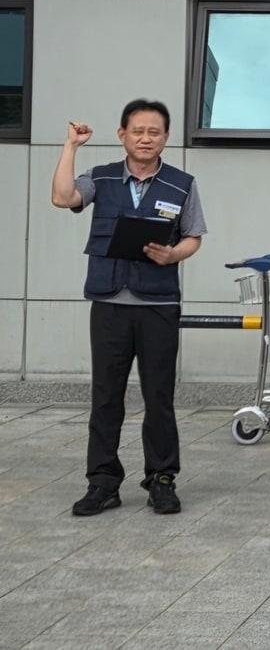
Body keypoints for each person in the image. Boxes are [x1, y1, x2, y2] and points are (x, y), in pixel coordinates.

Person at [52, 99, 206, 516]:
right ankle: (102, 482)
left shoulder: (181, 184)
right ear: (123, 135)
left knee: (159, 395)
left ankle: (162, 478)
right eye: (137, 131)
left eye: (154, 132)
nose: (145, 138)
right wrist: (71, 147)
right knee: (106, 396)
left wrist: (173, 255)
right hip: (108, 303)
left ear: (165, 138)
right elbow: (62, 197)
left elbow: (194, 235)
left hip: (158, 303)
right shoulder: (100, 178)